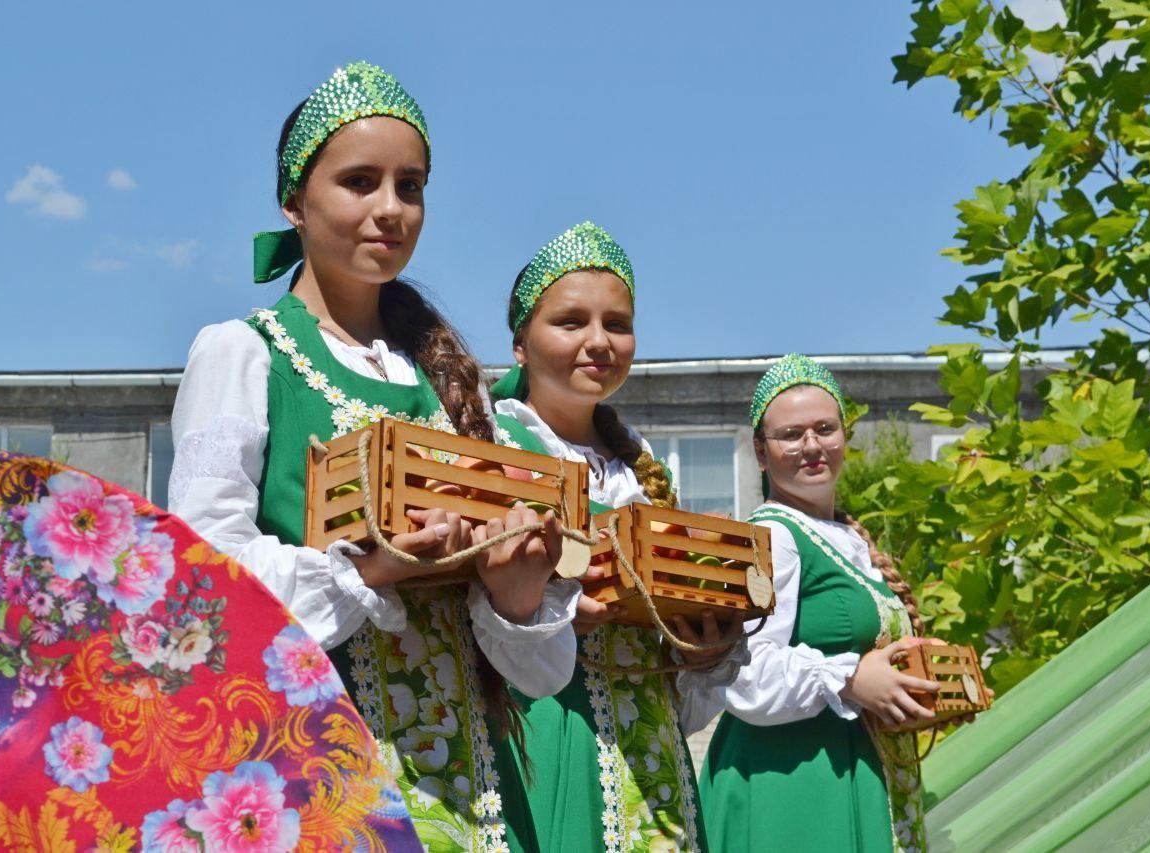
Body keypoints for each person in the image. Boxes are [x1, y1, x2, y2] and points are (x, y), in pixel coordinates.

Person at [169, 61, 580, 851]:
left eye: (411, 185)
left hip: (479, 788)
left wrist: (515, 593)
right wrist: (368, 570)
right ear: (293, 200)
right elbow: (202, 581)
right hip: (316, 766)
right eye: (360, 182)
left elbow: (536, 671)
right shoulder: (244, 354)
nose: (390, 209)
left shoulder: (451, 382)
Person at [490, 221, 746, 851]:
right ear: (521, 344)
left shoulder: (642, 469)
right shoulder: (488, 444)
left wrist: (701, 649)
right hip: (543, 731)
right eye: (571, 322)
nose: (598, 342)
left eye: (618, 324)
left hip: (652, 749)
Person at [699, 354, 934, 852]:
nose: (811, 446)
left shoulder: (845, 536)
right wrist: (850, 678)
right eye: (791, 434)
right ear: (761, 455)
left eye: (825, 429)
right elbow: (744, 675)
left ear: (844, 437)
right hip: (793, 781)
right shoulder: (773, 535)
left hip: (854, 768)